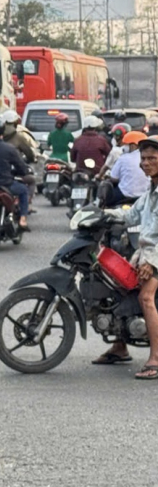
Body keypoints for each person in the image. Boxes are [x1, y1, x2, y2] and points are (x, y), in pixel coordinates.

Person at [96, 137, 158, 379]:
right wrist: (98, 215)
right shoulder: (151, 190)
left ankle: (155, 359)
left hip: (155, 256)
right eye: (144, 159)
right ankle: (120, 347)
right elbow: (131, 216)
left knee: (146, 297)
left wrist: (151, 263)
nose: (146, 163)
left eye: (152, 158)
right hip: (145, 252)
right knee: (118, 288)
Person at [98, 131, 150, 207]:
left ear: (133, 146)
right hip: (145, 196)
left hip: (124, 195)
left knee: (106, 203)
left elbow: (114, 178)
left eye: (126, 144)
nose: (124, 147)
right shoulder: (149, 158)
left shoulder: (123, 158)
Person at [2, 110, 37, 212]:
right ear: (15, 123)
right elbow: (29, 153)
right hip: (13, 172)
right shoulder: (19, 137)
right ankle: (26, 205)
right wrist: (32, 159)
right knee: (31, 180)